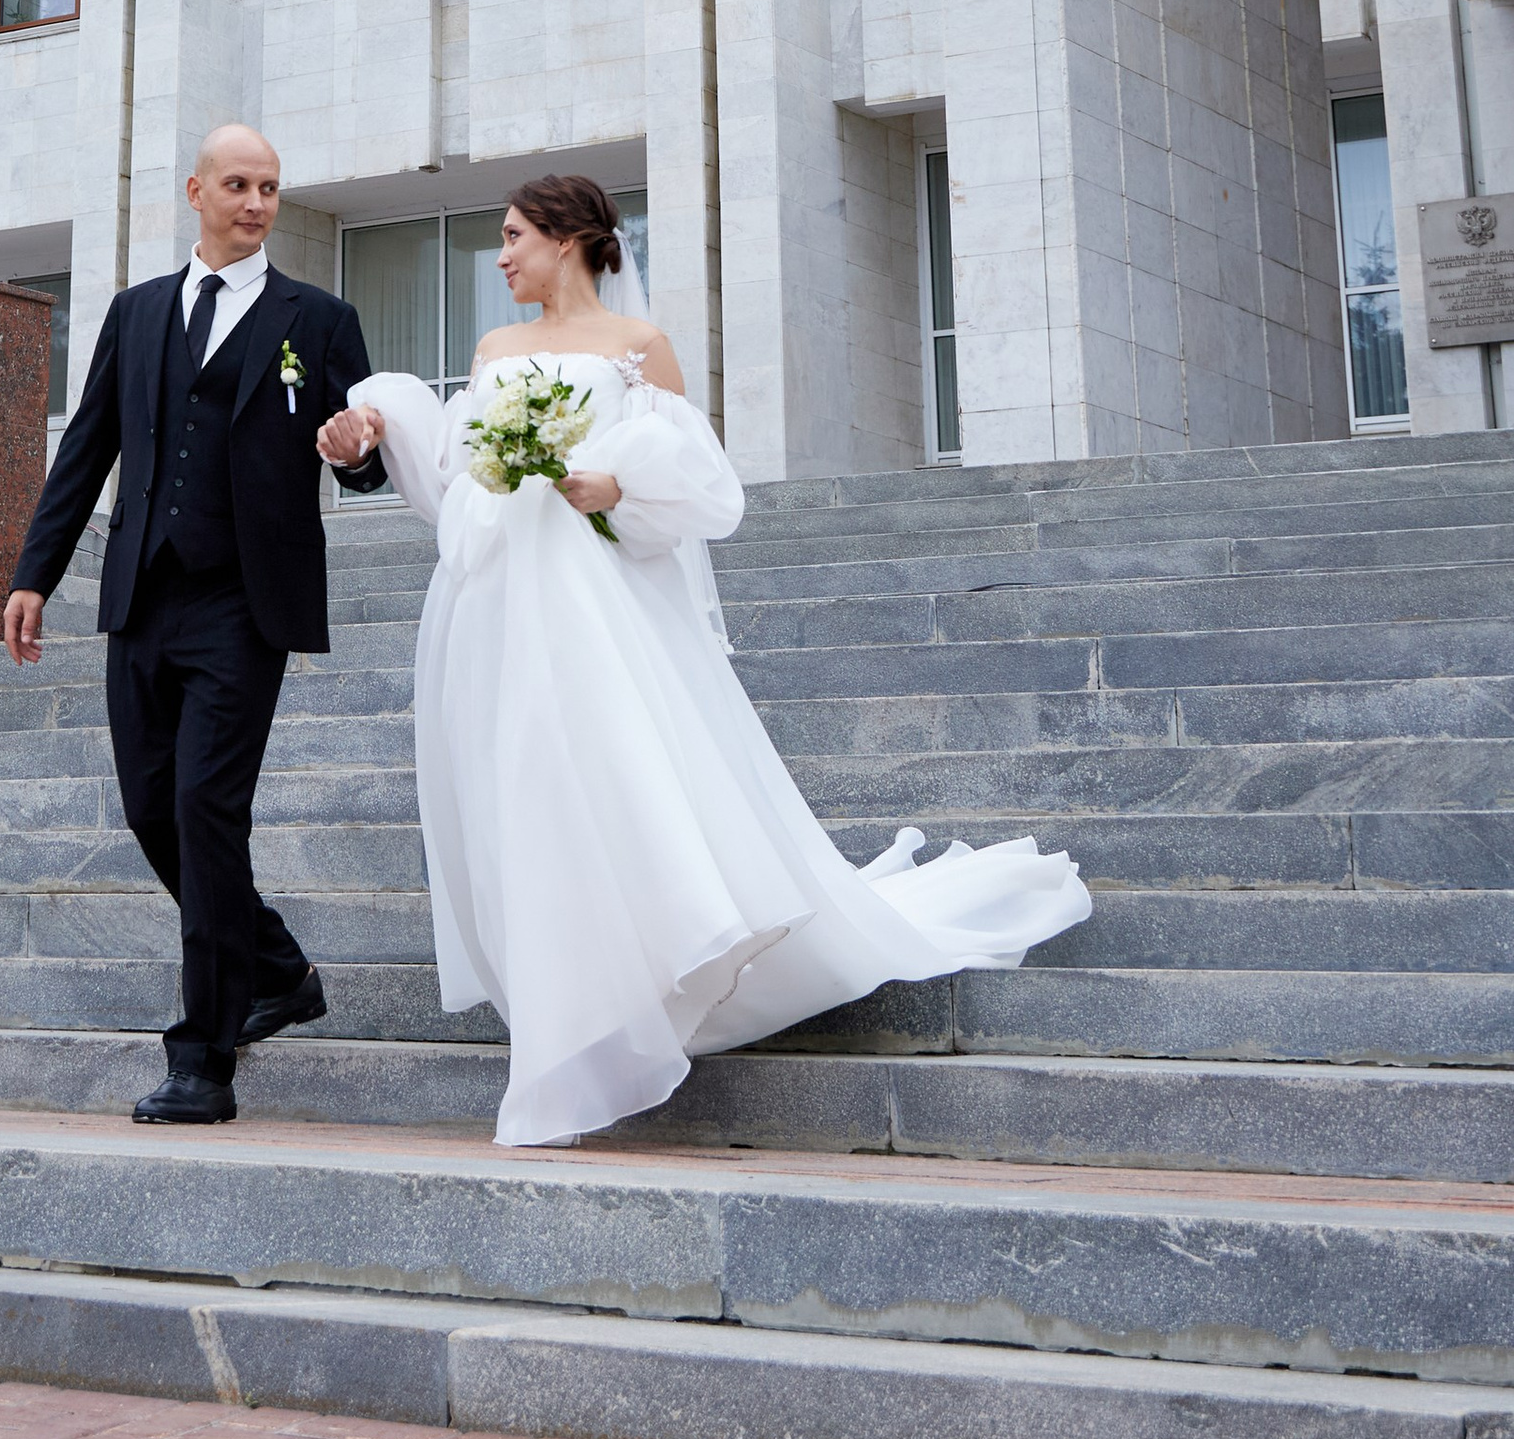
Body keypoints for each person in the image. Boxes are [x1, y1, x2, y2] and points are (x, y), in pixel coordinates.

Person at [317, 174, 1091, 1149]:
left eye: (513, 236)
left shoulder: (638, 350)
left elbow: (697, 487)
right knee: (524, 799)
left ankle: (616, 1006)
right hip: (494, 612)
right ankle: (571, 1007)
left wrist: (612, 483)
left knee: (608, 787)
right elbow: (456, 482)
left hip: (593, 608)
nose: (501, 255)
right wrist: (378, 424)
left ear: (565, 239)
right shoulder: (492, 352)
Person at [4, 123, 373, 1124]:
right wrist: (36, 572)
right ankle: (277, 967)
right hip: (142, 595)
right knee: (151, 810)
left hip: (246, 604)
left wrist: (350, 449)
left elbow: (365, 455)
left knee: (209, 813)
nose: (257, 203)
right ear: (196, 190)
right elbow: (85, 449)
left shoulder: (319, 320)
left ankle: (202, 1059)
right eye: (240, 185)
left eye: (271, 188)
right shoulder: (133, 313)